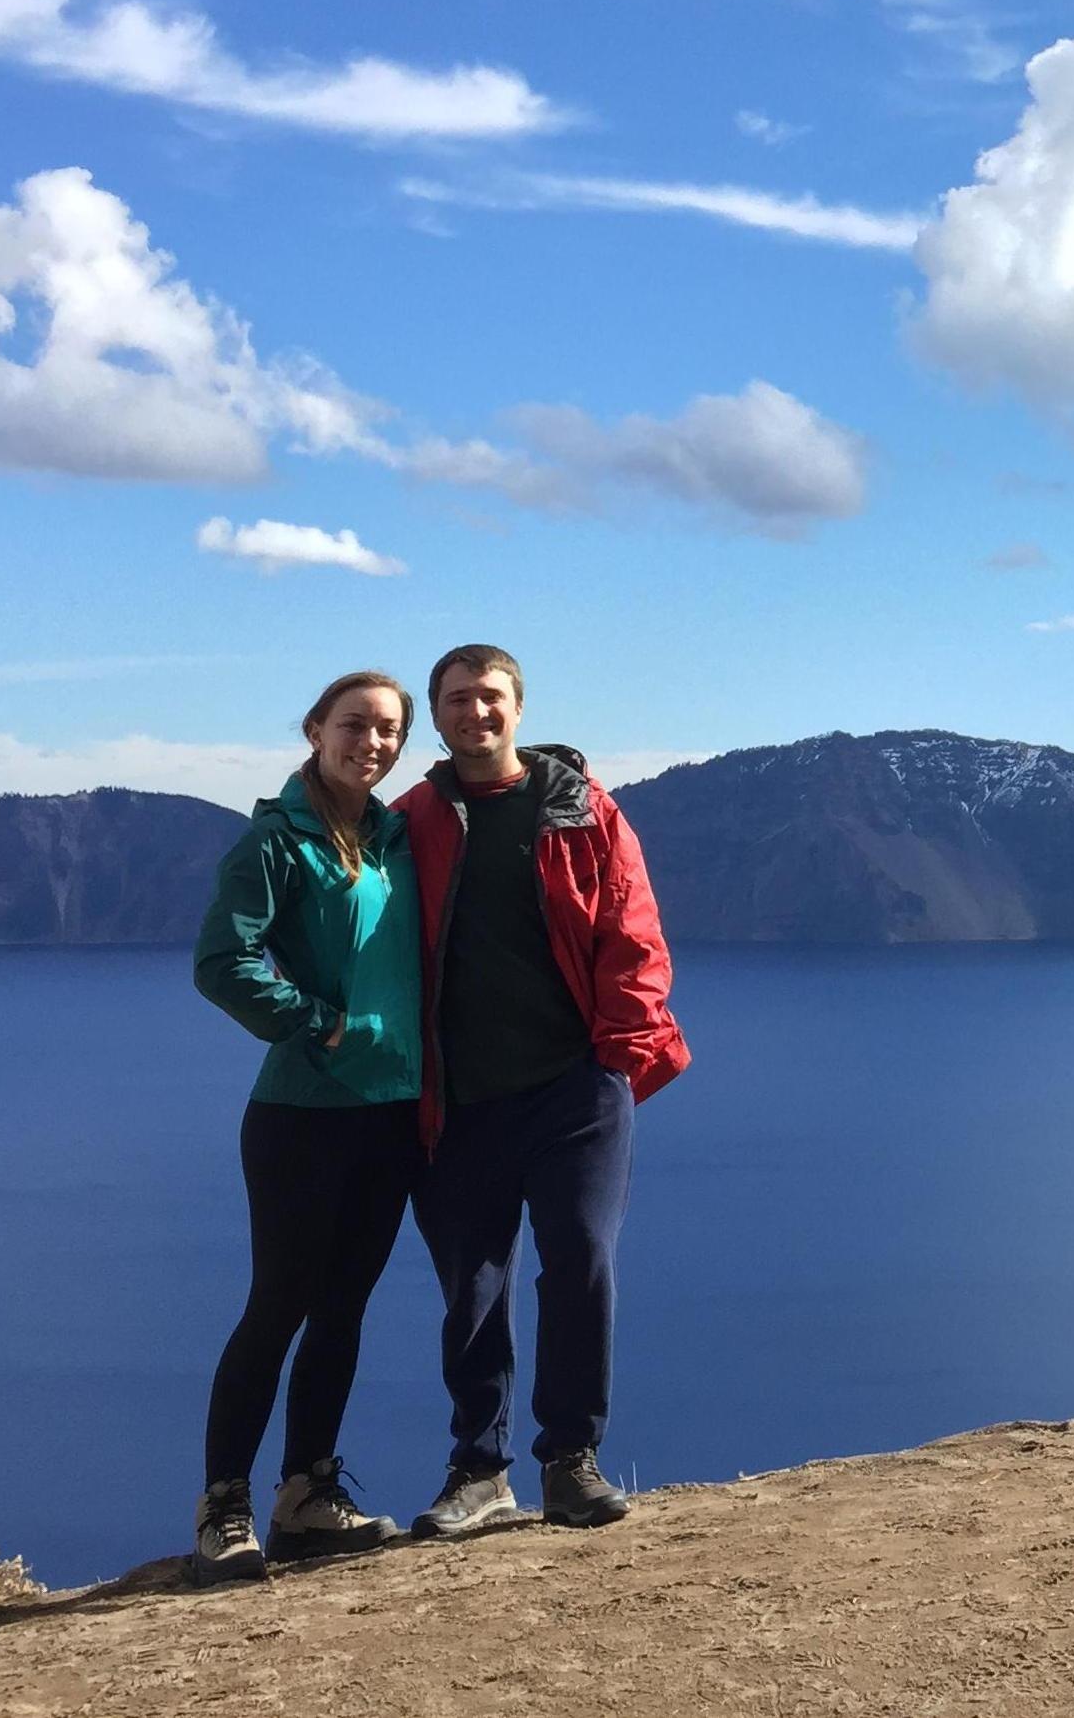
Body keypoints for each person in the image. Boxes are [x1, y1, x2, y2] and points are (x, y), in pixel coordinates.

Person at [394, 643, 688, 1539]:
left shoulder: (583, 809)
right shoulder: (410, 819)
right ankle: (478, 1470)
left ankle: (570, 1459)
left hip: (574, 1087)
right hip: (460, 1098)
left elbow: (631, 933)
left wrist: (618, 1058)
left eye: (489, 697)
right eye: (455, 700)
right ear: (435, 718)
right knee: (472, 1285)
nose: (473, 713)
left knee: (581, 1262)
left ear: (518, 706)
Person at [190, 671, 423, 1586]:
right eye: (355, 724)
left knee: (343, 1308)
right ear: (315, 728)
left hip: (391, 1111)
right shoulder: (274, 842)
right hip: (302, 1112)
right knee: (278, 1304)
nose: (373, 740)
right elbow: (221, 961)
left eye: (390, 729)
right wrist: (317, 1020)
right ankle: (223, 1508)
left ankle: (307, 1494)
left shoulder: (399, 834)